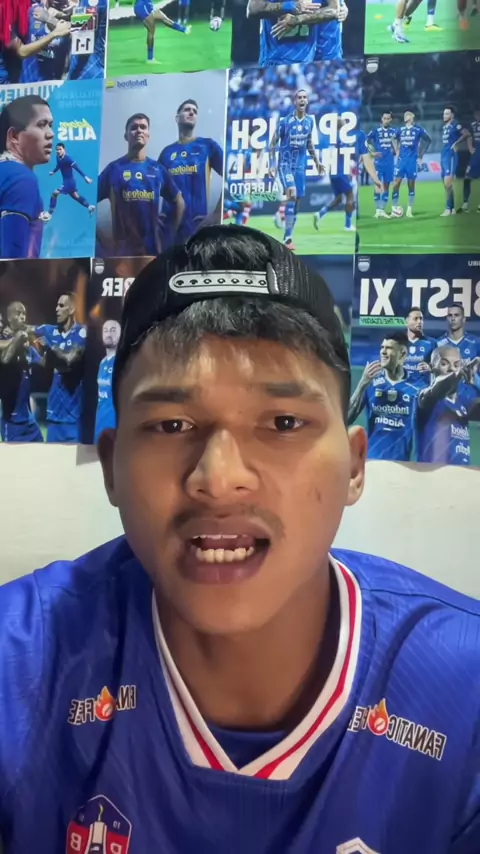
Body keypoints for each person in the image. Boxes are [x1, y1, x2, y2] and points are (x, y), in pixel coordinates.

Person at [0, 226, 479, 853]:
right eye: (172, 425)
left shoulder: (462, 688)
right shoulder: (24, 661)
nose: (219, 478)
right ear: (112, 467)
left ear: (354, 466)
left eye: (284, 421)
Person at [97, 112, 185, 257]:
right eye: (134, 127)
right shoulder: (113, 169)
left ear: (148, 135)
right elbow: (87, 201)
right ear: (126, 136)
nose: (139, 130)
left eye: (143, 127)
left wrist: (169, 235)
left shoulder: (157, 170)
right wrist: (101, 238)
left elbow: (179, 201)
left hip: (152, 254)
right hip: (122, 256)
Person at [158, 99, 224, 246]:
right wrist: (153, 216)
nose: (192, 112)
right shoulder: (166, 153)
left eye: (195, 111)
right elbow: (152, 188)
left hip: (197, 228)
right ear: (177, 118)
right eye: (187, 109)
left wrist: (217, 214)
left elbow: (230, 176)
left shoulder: (207, 146)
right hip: (170, 232)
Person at [348, 333, 420, 460]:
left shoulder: (417, 387)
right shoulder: (371, 381)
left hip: (402, 463)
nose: (383, 352)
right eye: (382, 347)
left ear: (402, 354)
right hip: (371, 460)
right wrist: (362, 384)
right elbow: (347, 418)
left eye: (389, 348)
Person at [0, 94, 54, 259]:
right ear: (14, 136)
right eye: (41, 125)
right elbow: (11, 259)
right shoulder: (21, 179)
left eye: (51, 125)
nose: (50, 134)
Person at [269, 88, 323, 250]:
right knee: (292, 193)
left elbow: (309, 143)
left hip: (300, 167)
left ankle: (286, 229)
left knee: (297, 202)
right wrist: (271, 165)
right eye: (299, 97)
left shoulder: (309, 121)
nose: (302, 100)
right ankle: (287, 240)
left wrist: (317, 162)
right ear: (295, 101)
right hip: (285, 165)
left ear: (307, 101)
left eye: (305, 97)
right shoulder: (285, 122)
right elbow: (272, 144)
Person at [31, 292, 86, 443]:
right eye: (56, 305)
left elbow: (69, 361)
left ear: (72, 309)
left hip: (73, 419)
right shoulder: (49, 330)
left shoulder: (82, 333)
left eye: (61, 306)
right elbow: (27, 329)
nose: (56, 309)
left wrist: (50, 348)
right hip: (53, 417)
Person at [416, 345, 480, 466]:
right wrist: (458, 373)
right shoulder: (426, 398)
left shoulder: (464, 403)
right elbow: (438, 388)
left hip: (462, 473)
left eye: (456, 365)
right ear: (431, 368)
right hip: (432, 474)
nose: (451, 369)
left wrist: (477, 381)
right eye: (444, 364)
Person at [0, 300, 44, 443]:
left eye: (24, 314)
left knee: (43, 451)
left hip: (29, 421)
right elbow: (5, 359)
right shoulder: (4, 341)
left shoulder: (27, 347)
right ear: (9, 317)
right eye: (18, 313)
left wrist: (49, 344)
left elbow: (45, 363)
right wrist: (17, 339)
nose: (22, 317)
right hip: (12, 422)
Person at [391, 109, 431, 219]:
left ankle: (409, 210)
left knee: (411, 185)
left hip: (412, 161)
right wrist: (396, 150)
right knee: (396, 183)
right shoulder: (400, 130)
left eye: (408, 115)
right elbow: (393, 138)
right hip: (401, 160)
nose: (405, 116)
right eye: (405, 115)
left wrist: (421, 155)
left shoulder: (418, 129)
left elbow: (428, 140)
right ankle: (394, 208)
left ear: (411, 118)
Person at [45, 142, 95, 220]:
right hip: (67, 182)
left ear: (64, 149)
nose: (58, 151)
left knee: (54, 194)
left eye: (60, 149)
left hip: (69, 182)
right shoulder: (58, 157)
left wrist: (85, 177)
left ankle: (49, 214)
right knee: (75, 196)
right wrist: (53, 172)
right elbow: (59, 166)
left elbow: (77, 168)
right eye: (57, 149)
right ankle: (89, 206)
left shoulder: (68, 159)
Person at [133, 0, 190, 65]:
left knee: (163, 19)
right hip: (143, 6)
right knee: (151, 31)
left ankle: (184, 29)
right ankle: (150, 59)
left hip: (146, 5)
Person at [367, 111, 397, 219]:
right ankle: (377, 210)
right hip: (378, 162)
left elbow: (399, 143)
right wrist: (372, 152)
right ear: (381, 119)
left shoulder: (394, 132)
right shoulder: (375, 131)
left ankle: (382, 210)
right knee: (377, 185)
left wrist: (396, 150)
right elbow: (365, 141)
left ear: (391, 120)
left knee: (386, 186)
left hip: (389, 162)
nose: (386, 120)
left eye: (388, 118)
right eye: (384, 118)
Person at [94, 318, 120, 443]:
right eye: (105, 330)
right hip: (100, 424)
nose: (109, 333)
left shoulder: (122, 363)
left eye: (113, 330)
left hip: (114, 426)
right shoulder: (102, 363)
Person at [440, 107, 470, 217]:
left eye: (447, 114)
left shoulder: (455, 125)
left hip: (451, 156)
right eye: (444, 113)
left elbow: (466, 133)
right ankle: (452, 208)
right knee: (445, 183)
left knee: (448, 182)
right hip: (444, 156)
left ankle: (448, 208)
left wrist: (456, 143)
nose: (444, 115)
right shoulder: (444, 127)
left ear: (452, 115)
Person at [404, 306, 436, 376]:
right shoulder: (398, 343)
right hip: (402, 383)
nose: (419, 322)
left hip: (423, 383)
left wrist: (430, 368)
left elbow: (439, 367)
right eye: (415, 319)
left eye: (421, 319)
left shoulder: (432, 343)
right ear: (407, 321)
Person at [460, 107, 480, 214]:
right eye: (476, 114)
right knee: (467, 178)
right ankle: (465, 203)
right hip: (476, 155)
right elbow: (467, 135)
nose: (477, 116)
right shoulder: (472, 125)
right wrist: (470, 147)